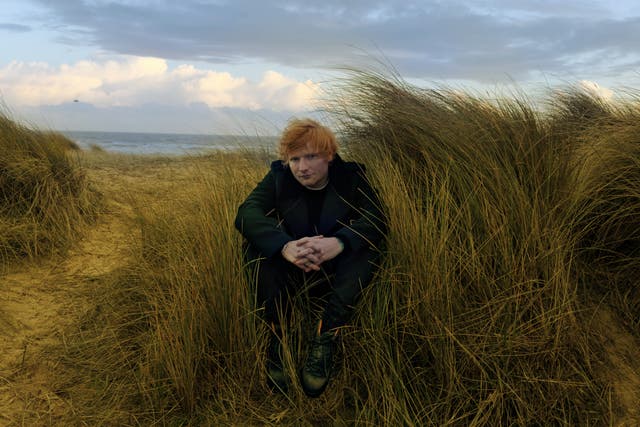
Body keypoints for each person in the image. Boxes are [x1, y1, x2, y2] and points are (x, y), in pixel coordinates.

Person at [235, 118, 386, 398]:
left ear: (329, 156)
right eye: (294, 159)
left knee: (367, 246)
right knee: (256, 246)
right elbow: (247, 213)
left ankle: (327, 333)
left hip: (336, 270)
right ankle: (279, 332)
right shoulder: (279, 177)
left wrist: (340, 242)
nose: (302, 168)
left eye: (311, 157)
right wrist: (284, 246)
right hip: (293, 265)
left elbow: (377, 219)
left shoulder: (352, 176)